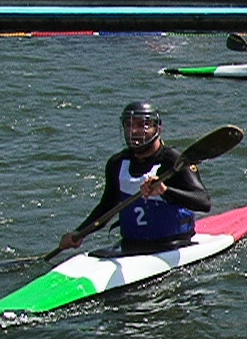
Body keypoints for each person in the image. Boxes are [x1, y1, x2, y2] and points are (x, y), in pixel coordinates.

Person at [58, 102, 211, 255]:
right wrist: (79, 233)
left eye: (142, 125)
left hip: (173, 243)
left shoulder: (174, 161)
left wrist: (165, 191)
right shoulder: (117, 163)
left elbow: (203, 202)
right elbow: (107, 207)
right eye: (128, 125)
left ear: (158, 128)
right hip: (131, 244)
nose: (134, 131)